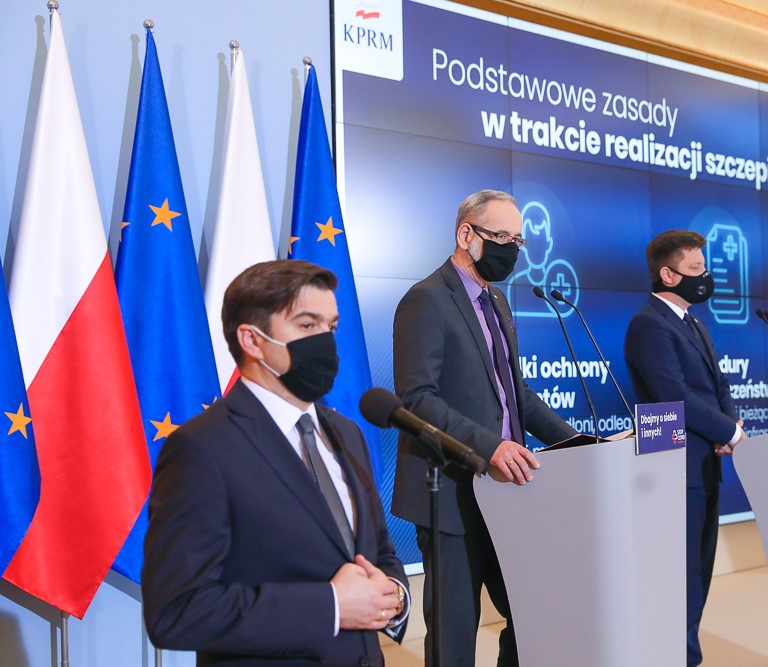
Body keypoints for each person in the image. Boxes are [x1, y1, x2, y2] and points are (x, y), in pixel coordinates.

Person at [143, 259, 408, 667]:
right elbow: (177, 611)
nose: (326, 341)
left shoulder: (347, 433)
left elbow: (380, 552)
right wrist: (330, 606)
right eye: (307, 325)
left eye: (331, 326)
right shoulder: (201, 448)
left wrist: (394, 594)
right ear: (252, 339)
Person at [392, 190, 577, 666]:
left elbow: (516, 394)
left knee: (533, 615)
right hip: (451, 494)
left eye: (518, 241)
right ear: (466, 235)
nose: (511, 250)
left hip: (508, 495)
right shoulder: (426, 299)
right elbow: (416, 399)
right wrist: (491, 447)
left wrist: (578, 443)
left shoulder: (496, 300)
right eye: (501, 237)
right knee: (453, 638)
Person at [623, 230, 747, 667]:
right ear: (668, 274)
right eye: (695, 269)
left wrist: (728, 424)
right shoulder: (649, 324)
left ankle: (684, 655)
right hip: (676, 472)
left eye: (704, 267)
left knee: (699, 575)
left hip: (705, 467)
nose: (705, 277)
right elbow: (673, 395)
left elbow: (718, 385)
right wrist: (729, 433)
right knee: (681, 580)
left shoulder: (694, 323)